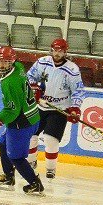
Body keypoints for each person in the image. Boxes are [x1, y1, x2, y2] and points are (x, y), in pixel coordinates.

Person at [0, 46, 44, 196]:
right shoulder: (19, 67)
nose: (2, 66)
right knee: (3, 143)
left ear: (13, 61)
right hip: (33, 116)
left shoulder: (10, 82)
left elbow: (12, 110)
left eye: (6, 62)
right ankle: (9, 178)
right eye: (0, 62)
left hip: (21, 122)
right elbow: (24, 79)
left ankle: (35, 183)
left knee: (16, 156)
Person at [26, 39, 85, 179]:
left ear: (65, 52)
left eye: (60, 51)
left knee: (50, 139)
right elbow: (29, 78)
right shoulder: (42, 62)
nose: (57, 53)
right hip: (40, 105)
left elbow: (78, 90)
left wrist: (75, 108)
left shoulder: (72, 69)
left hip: (59, 109)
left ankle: (50, 169)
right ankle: (30, 161)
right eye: (54, 50)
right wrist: (34, 91)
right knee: (30, 135)